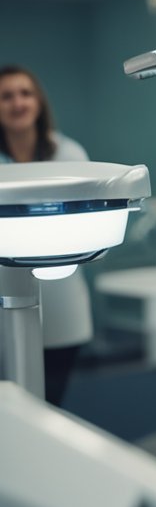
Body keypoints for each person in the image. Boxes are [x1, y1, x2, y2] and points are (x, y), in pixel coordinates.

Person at [0, 65, 93, 406]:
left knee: (50, 406)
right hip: (4, 298)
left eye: (25, 93)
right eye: (6, 96)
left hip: (62, 304)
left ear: (38, 102)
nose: (17, 103)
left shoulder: (69, 154)